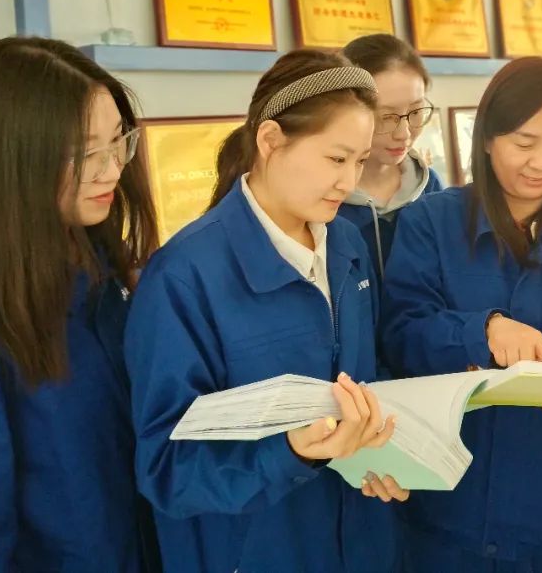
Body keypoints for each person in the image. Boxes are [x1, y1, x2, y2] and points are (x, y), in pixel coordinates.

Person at [125, 49, 407, 573]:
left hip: (360, 540)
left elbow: (366, 376)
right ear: (271, 140)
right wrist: (290, 453)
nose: (350, 181)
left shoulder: (347, 244)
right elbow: (167, 469)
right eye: (336, 159)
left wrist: (388, 451)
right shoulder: (184, 277)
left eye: (360, 161)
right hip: (256, 549)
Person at [0, 37, 160, 571]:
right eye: (82, 153)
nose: (111, 169)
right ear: (8, 158)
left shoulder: (104, 274)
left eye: (119, 141)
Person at [381, 56, 542, 571]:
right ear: (488, 138)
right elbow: (401, 334)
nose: (541, 162)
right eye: (524, 143)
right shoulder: (431, 222)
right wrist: (484, 330)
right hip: (442, 514)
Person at [339, 34, 443, 278]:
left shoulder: (430, 188)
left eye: (416, 112)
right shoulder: (325, 197)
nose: (404, 134)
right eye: (386, 117)